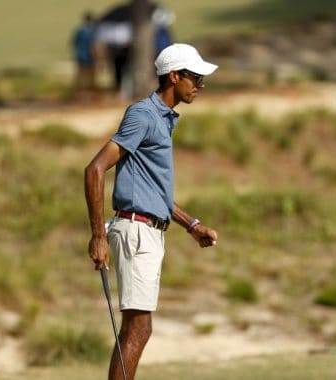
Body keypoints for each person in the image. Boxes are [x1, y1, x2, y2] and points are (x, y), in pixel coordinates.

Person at [84, 43, 218, 380]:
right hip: (136, 231)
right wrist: (98, 236)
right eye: (196, 78)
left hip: (149, 230)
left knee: (138, 327)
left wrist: (192, 225)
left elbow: (153, 189)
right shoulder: (143, 115)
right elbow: (95, 169)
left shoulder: (164, 119)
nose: (200, 85)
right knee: (139, 328)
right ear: (174, 76)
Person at [71, 12, 97, 97]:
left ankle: (77, 94)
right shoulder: (90, 31)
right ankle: (92, 95)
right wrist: (95, 57)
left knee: (80, 76)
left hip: (80, 55)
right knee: (91, 77)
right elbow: (92, 46)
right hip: (88, 57)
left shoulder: (79, 31)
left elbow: (73, 43)